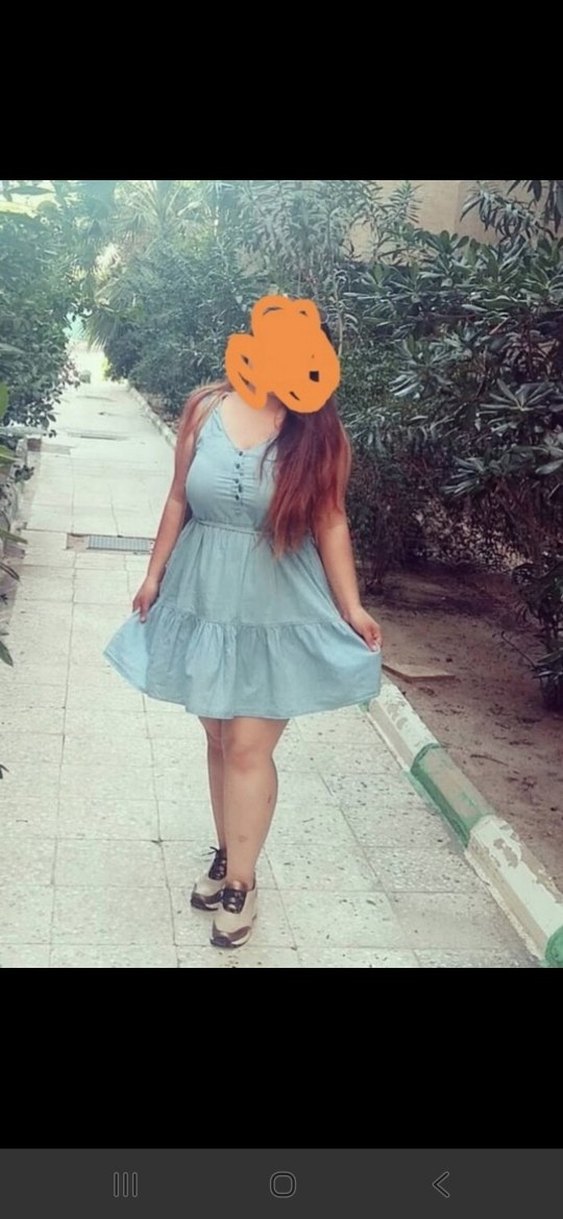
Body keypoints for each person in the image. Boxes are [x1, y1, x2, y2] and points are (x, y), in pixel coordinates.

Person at [103, 363, 382, 949]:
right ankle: (230, 850)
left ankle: (241, 884)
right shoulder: (205, 409)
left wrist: (351, 607)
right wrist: (153, 575)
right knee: (218, 737)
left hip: (274, 604)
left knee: (248, 746)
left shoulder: (319, 429)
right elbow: (177, 499)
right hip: (202, 594)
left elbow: (331, 520)